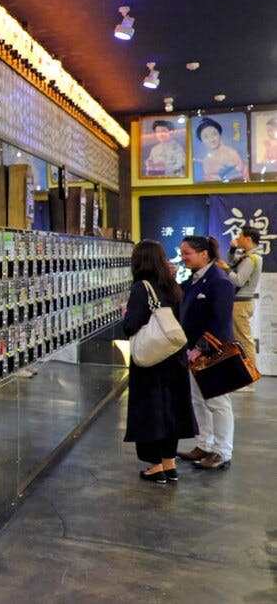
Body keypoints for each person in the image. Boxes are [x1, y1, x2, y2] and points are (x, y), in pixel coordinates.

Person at [122, 240, 197, 484]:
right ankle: (169, 464)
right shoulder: (171, 286)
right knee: (171, 410)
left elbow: (131, 325)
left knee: (151, 411)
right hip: (174, 357)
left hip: (152, 360)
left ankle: (155, 467)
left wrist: (126, 316)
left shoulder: (141, 288)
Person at [176, 235, 237, 470]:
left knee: (217, 402)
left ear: (204, 254)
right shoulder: (195, 279)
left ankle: (222, 451)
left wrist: (200, 348)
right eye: (182, 253)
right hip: (193, 352)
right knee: (199, 400)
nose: (183, 257)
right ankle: (204, 443)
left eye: (187, 253)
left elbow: (220, 323)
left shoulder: (219, 281)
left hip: (213, 351)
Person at [222, 226, 262, 391]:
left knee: (245, 341)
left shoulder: (252, 258)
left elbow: (238, 280)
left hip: (241, 304)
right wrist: (232, 249)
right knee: (239, 340)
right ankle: (243, 377)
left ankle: (249, 380)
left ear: (248, 239)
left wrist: (225, 269)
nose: (237, 238)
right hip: (240, 303)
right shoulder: (247, 257)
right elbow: (232, 261)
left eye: (240, 236)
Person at [195, 117, 247, 181]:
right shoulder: (206, 159)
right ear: (201, 140)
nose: (211, 139)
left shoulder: (231, 153)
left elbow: (240, 175)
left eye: (214, 134)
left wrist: (223, 178)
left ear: (219, 134)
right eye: (206, 137)